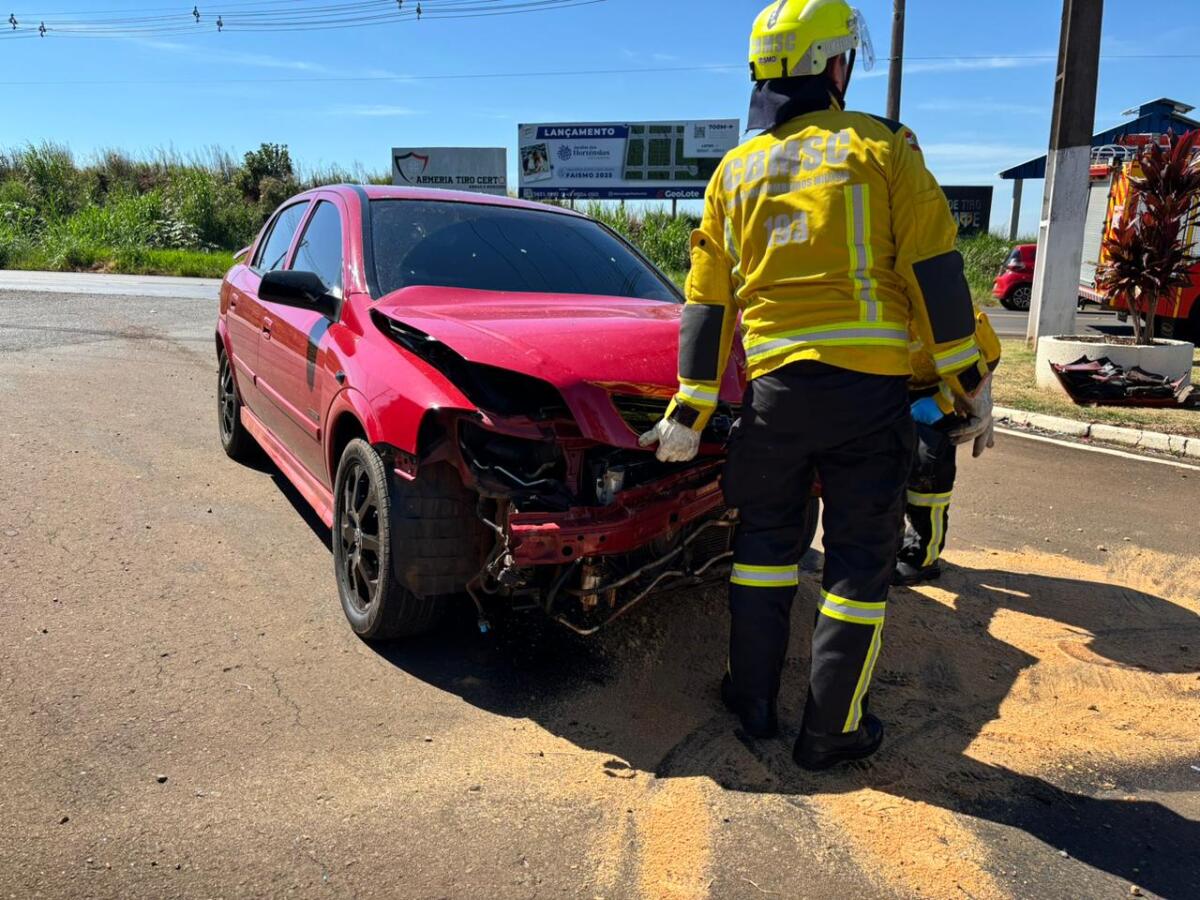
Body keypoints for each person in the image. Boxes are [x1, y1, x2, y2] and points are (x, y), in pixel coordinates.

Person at [639, 0, 992, 770]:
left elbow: (707, 303)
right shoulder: (882, 146)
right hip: (868, 397)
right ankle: (831, 730)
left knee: (764, 549)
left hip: (774, 399)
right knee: (858, 564)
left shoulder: (734, 173)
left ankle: (753, 701)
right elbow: (933, 269)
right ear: (836, 64)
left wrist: (689, 411)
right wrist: (969, 379)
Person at [895, 312, 1002, 586]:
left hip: (939, 394)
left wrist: (972, 400)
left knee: (927, 473)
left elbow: (986, 359)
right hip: (890, 389)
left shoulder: (953, 310)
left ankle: (922, 556)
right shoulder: (877, 300)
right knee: (883, 473)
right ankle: (886, 546)